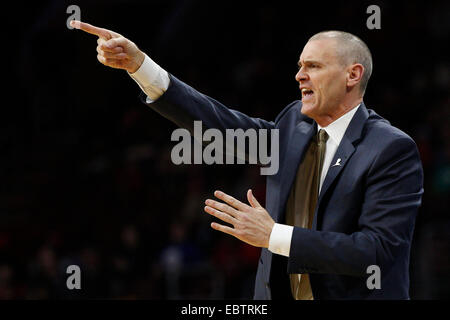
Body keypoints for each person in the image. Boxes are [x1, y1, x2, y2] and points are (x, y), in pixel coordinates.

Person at [71, 20, 424, 299]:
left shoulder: (390, 149)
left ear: (353, 75)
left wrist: (274, 236)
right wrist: (140, 66)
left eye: (313, 66)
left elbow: (375, 251)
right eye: (300, 66)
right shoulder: (294, 125)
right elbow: (218, 126)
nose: (299, 75)